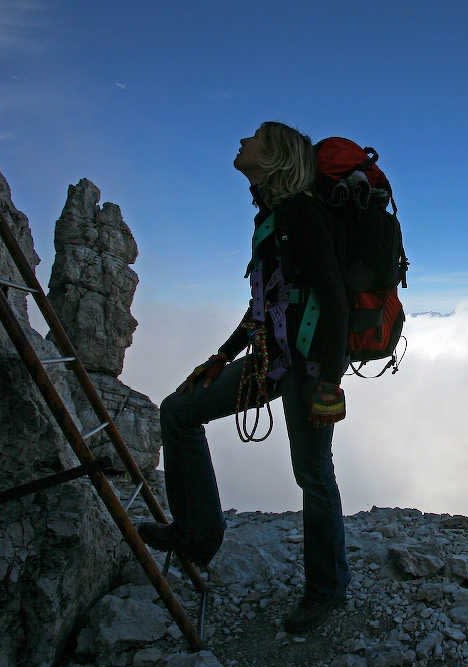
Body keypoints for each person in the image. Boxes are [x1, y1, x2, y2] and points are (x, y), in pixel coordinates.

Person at [138, 121, 351, 633]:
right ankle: (198, 533)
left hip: (305, 368)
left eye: (254, 137)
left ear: (274, 156)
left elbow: (335, 302)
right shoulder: (273, 216)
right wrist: (220, 357)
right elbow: (264, 304)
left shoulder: (301, 214)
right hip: (270, 361)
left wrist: (328, 382)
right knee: (179, 411)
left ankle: (327, 591)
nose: (241, 141)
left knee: (312, 474)